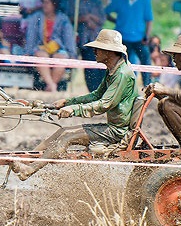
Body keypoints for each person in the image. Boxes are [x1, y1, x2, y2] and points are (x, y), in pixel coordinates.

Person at [10, 29, 137, 181]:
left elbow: (105, 104)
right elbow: (96, 95)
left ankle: (28, 170)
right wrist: (68, 102)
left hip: (116, 131)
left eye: (97, 49)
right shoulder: (113, 70)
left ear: (108, 52)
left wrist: (73, 110)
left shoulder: (122, 74)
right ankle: (27, 161)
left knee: (67, 137)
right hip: (113, 127)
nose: (94, 51)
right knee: (62, 131)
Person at [105, 0, 153, 86]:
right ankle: (122, 85)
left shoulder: (144, 0)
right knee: (123, 62)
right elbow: (106, 11)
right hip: (122, 38)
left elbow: (149, 20)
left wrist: (147, 35)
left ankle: (147, 85)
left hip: (138, 38)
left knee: (146, 59)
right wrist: (116, 21)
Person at [24, 0, 76, 92]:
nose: (44, 5)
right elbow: (31, 36)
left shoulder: (63, 19)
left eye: (47, 2)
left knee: (62, 58)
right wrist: (28, 52)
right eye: (43, 2)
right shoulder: (36, 17)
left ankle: (51, 86)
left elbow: (69, 38)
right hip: (41, 48)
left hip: (58, 49)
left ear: (54, 4)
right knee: (41, 56)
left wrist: (72, 53)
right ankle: (51, 85)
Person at [76, 0, 106, 92]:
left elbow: (102, 19)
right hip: (83, 38)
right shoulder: (77, 1)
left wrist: (91, 17)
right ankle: (92, 90)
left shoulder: (96, 1)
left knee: (101, 65)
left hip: (96, 38)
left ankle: (102, 90)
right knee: (89, 66)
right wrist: (84, 19)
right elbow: (71, 17)